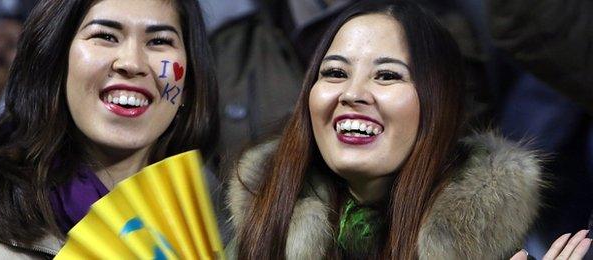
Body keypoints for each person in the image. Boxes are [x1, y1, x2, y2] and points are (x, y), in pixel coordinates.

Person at [225, 0, 589, 259]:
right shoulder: (259, 225)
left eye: (387, 75)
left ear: (439, 104)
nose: (352, 94)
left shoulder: (494, 243)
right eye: (335, 73)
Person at [0, 0, 218, 258]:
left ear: (189, 82)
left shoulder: (221, 218)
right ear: (56, 59)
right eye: (105, 36)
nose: (132, 63)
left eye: (159, 42)